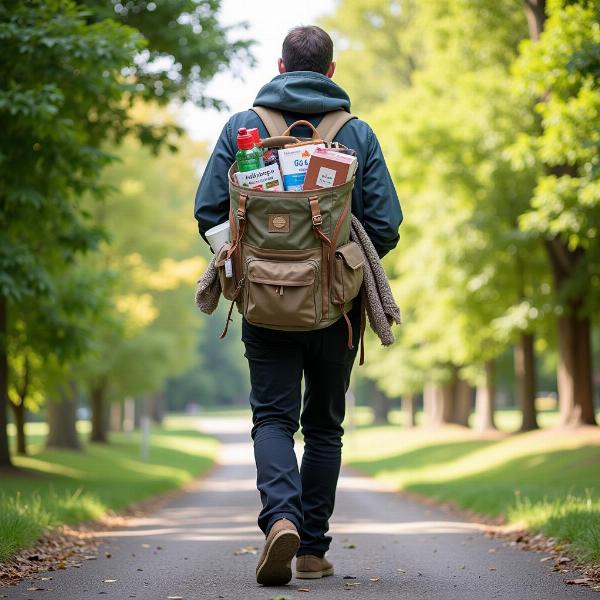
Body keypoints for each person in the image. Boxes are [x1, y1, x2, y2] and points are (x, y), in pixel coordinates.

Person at [194, 25, 402, 586]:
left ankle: (279, 519)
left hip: (263, 304)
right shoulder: (354, 133)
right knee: (326, 428)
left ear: (279, 67)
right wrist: (346, 269)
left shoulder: (243, 129)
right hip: (335, 309)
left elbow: (209, 212)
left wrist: (245, 271)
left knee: (273, 419)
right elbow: (386, 224)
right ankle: (311, 549)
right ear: (332, 72)